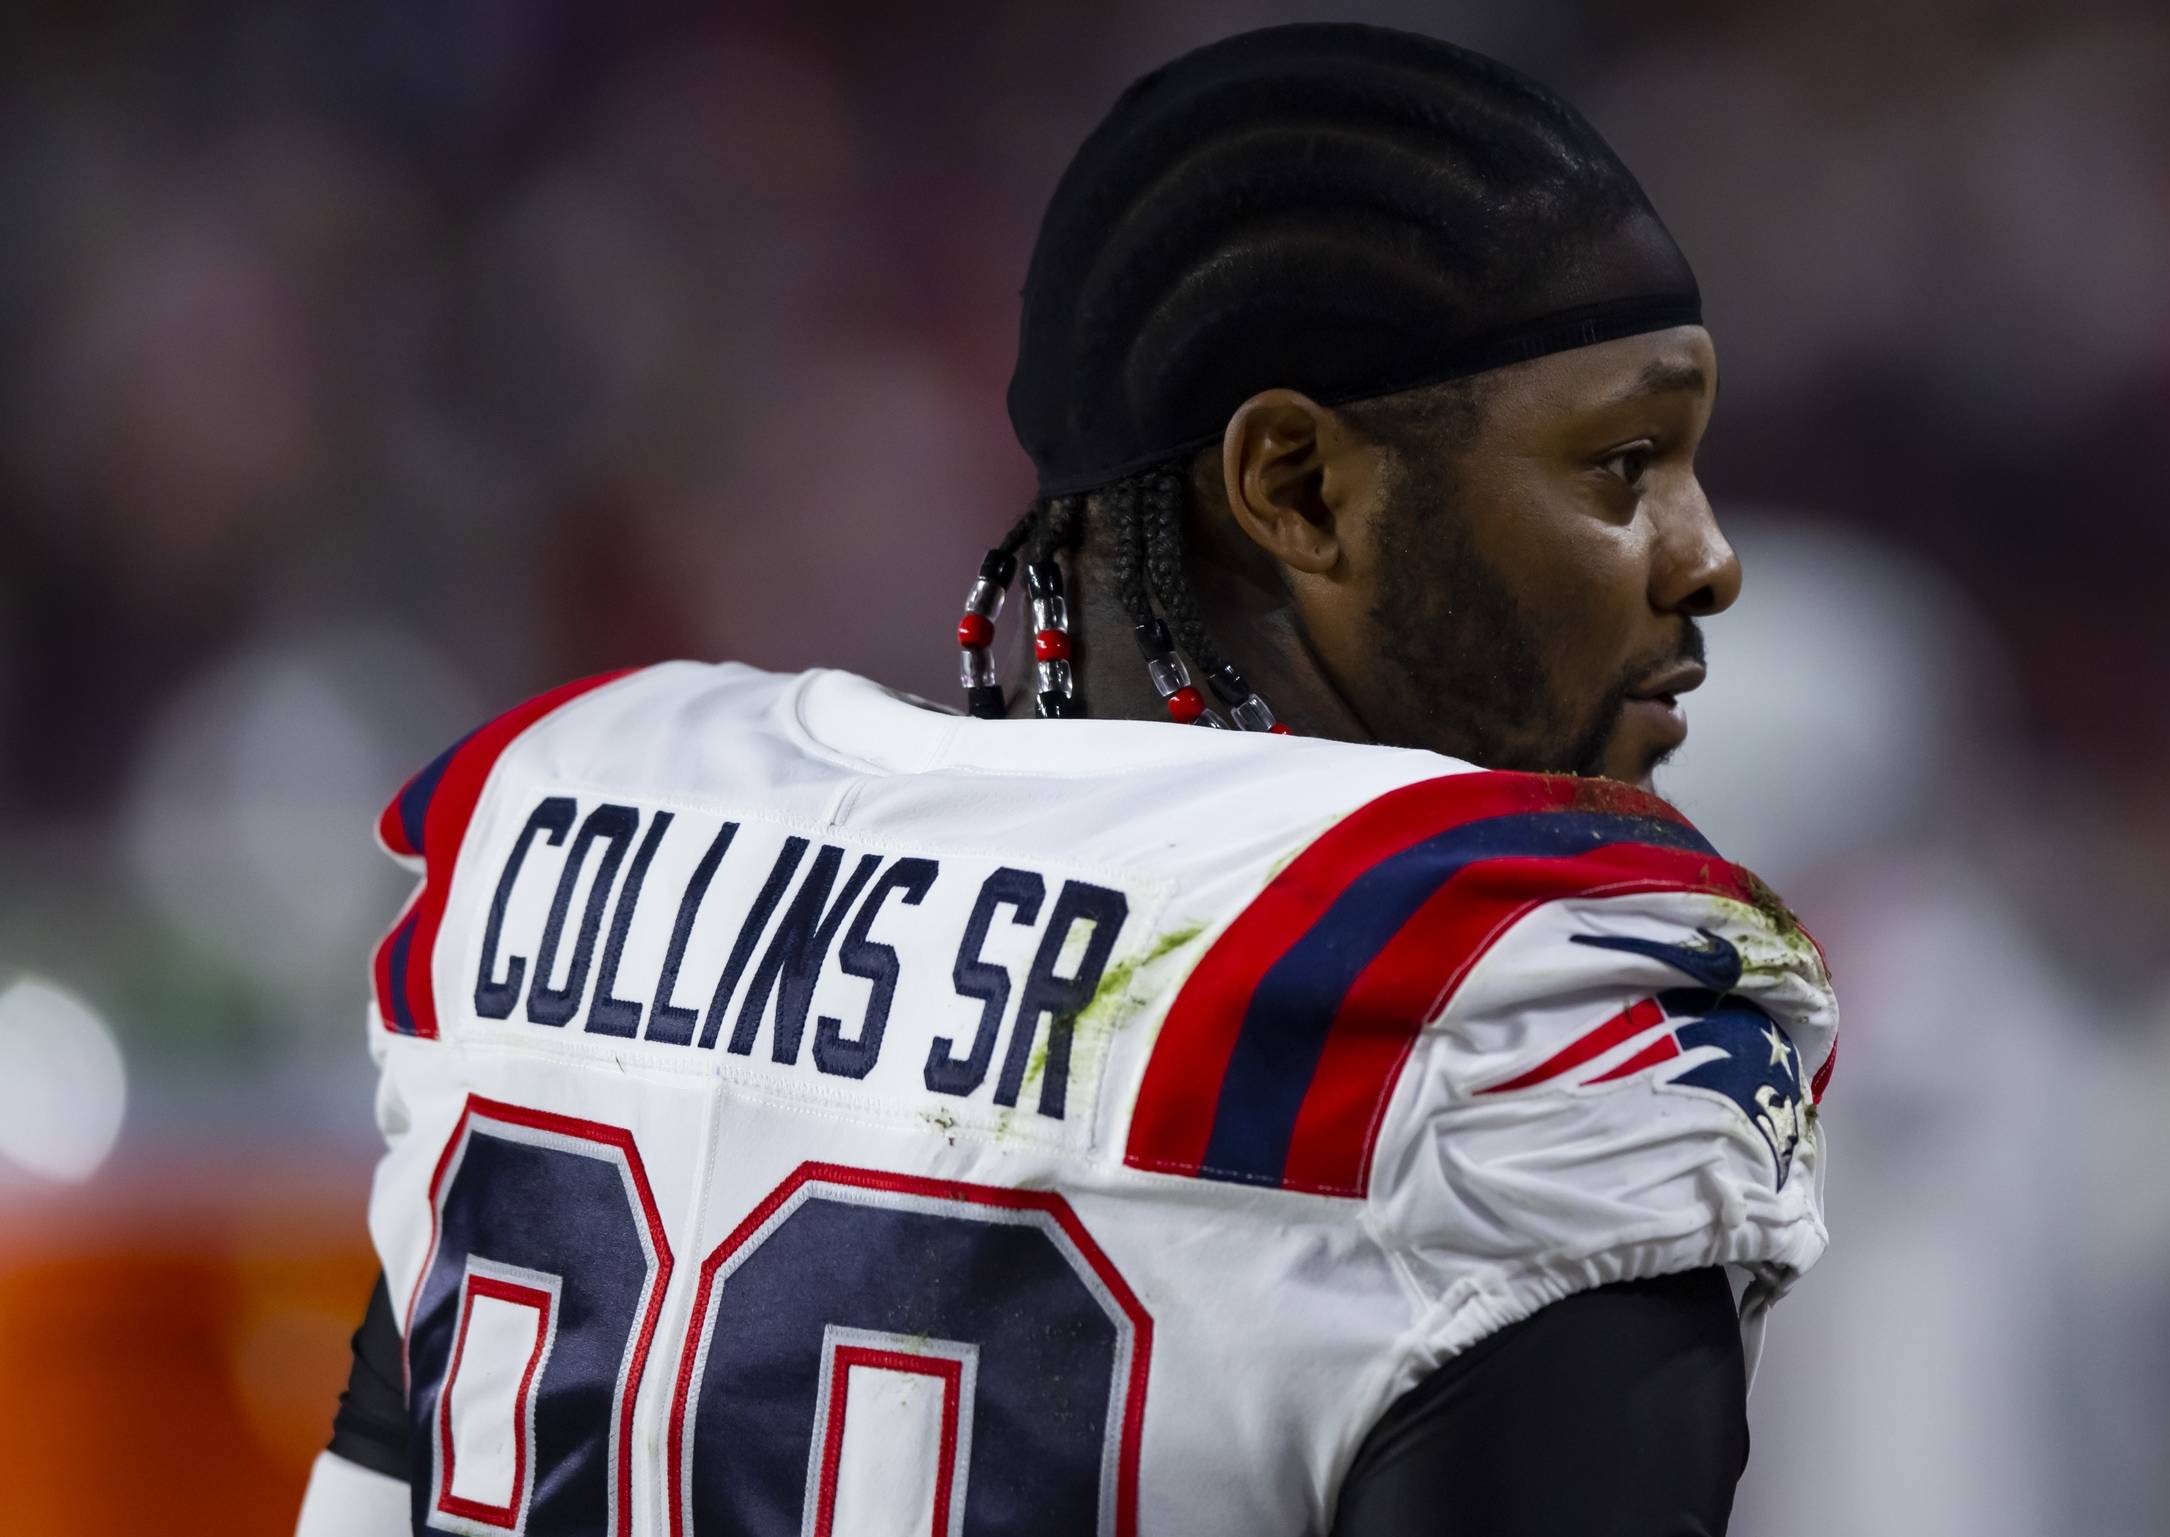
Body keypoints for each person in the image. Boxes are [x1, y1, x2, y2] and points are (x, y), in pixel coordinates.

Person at [294, 23, 1836, 1536]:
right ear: (1296, 486)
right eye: (1622, 464)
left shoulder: (575, 823)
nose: (1707, 559)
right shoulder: (1512, 1001)